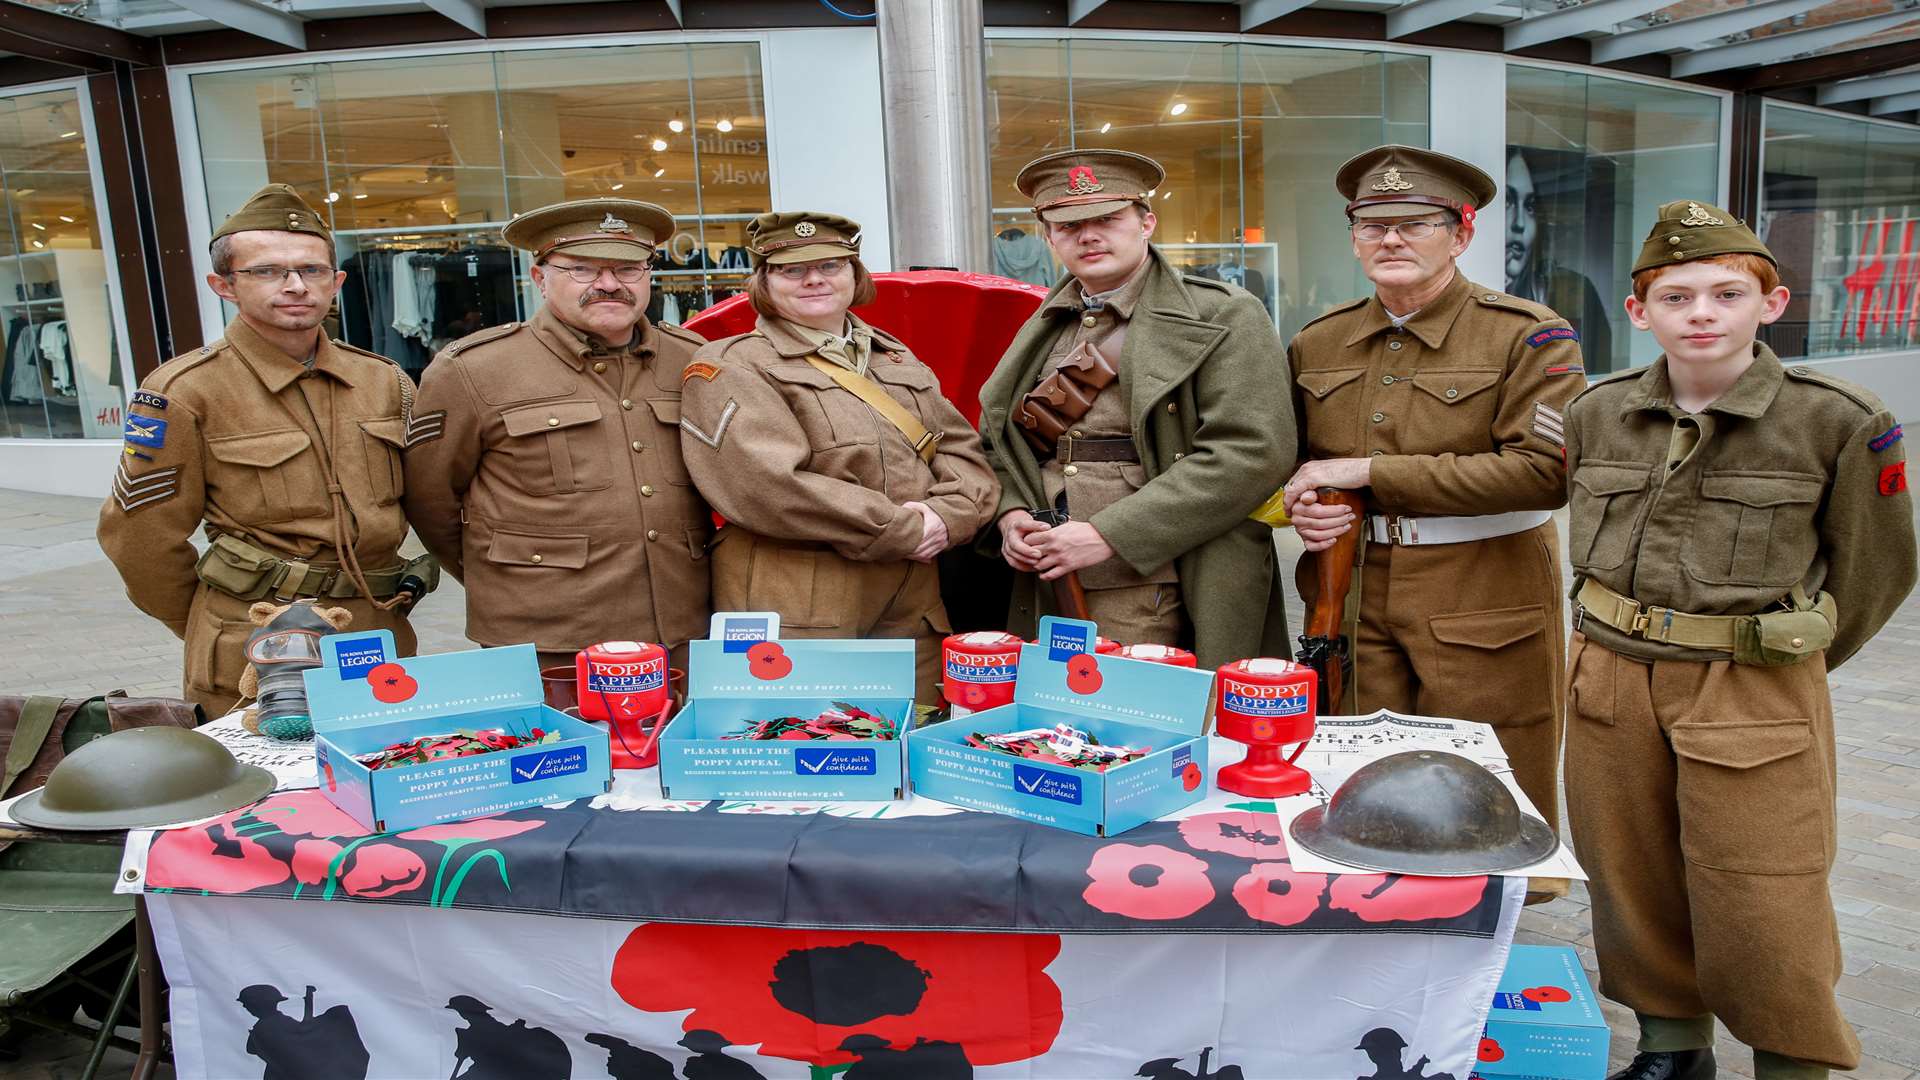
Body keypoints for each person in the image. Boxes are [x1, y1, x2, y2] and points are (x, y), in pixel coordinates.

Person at [1562, 201, 1917, 1080]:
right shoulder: (1599, 412)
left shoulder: (1835, 418)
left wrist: (1786, 658)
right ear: (1641, 313)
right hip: (1611, 675)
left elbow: (1876, 569)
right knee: (1629, 874)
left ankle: (1790, 1060)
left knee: (1765, 891)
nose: (1704, 313)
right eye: (1677, 296)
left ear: (1773, 301)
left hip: (1748, 683)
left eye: (1728, 293)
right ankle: (1672, 1048)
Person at [1283, 145, 1585, 842]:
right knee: (1364, 782)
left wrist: (1370, 474)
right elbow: (1292, 464)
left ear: (1463, 233)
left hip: (1482, 598)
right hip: (1352, 595)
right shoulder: (1318, 342)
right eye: (1372, 224)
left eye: (1416, 222)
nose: (1391, 239)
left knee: (1487, 784)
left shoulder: (1529, 335)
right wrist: (1297, 505)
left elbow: (1546, 471)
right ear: (1355, 238)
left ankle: (1489, 931)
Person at [97, 184, 432, 715]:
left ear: (336, 281)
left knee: (383, 772)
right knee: (265, 790)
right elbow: (139, 537)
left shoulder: (383, 380)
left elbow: (430, 499)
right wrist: (210, 619)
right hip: (254, 639)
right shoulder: (185, 390)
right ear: (223, 285)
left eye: (312, 270)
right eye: (268, 271)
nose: (296, 285)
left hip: (373, 629)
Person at [976, 149, 1295, 663]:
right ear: (1050, 237)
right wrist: (1011, 516)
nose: (1089, 235)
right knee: (1061, 730)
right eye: (1069, 225)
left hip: (1161, 575)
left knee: (1145, 725)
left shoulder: (1224, 313)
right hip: (1048, 573)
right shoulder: (1045, 323)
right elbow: (1000, 441)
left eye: (1107, 219)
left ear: (1146, 222)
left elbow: (1252, 452)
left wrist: (1110, 534)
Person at [677, 212, 996, 703]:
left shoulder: (893, 357)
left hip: (910, 597)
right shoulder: (730, 364)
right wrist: (906, 529)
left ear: (854, 274)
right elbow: (769, 486)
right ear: (763, 281)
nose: (814, 279)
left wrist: (949, 516)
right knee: (807, 750)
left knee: (918, 737)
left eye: (830, 264)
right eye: (790, 270)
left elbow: (958, 448)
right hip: (799, 597)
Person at [403, 199, 712, 671]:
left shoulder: (694, 358)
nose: (608, 284)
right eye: (583, 269)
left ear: (649, 273)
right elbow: (430, 498)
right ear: (540, 278)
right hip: (549, 632)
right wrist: (512, 573)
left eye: (628, 268)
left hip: (685, 626)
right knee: (558, 746)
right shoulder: (474, 369)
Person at [1504, 148, 1614, 373]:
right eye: (1508, 202)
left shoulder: (1574, 289)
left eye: (1530, 206)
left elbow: (1597, 367)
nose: (1519, 223)